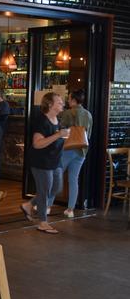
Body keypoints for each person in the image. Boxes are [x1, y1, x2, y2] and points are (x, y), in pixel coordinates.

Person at [19, 92, 69, 234]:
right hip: (41, 162)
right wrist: (58, 135)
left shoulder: (57, 120)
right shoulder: (41, 121)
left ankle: (29, 205)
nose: (62, 104)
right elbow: (37, 144)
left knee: (56, 188)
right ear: (50, 104)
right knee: (44, 191)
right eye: (59, 102)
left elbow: (55, 140)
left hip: (55, 161)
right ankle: (43, 222)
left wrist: (64, 136)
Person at [59, 90, 93, 218]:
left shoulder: (67, 113)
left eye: (69, 98)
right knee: (74, 179)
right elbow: (88, 134)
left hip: (68, 148)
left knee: (56, 175)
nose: (68, 101)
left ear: (74, 100)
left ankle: (47, 206)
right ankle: (70, 209)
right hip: (82, 150)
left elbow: (62, 129)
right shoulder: (88, 114)